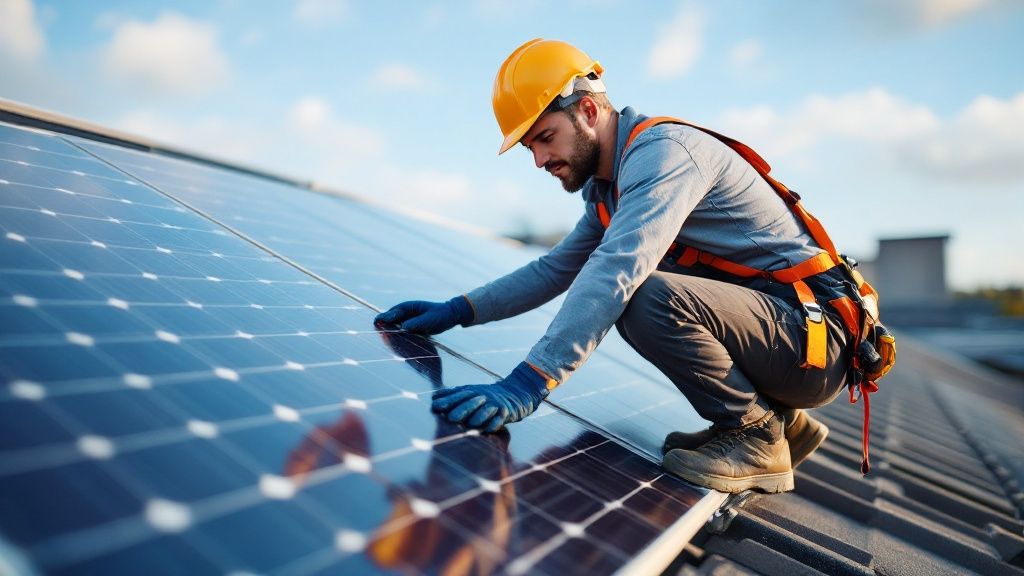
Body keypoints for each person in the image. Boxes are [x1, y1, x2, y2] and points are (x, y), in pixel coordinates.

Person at [376, 38, 867, 494]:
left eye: (546, 137)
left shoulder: (663, 155)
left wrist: (530, 381)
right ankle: (784, 423)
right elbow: (554, 269)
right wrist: (460, 309)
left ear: (588, 110)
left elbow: (616, 269)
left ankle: (757, 436)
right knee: (641, 292)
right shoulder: (608, 190)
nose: (540, 160)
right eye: (530, 147)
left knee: (641, 296)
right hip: (788, 340)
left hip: (813, 343)